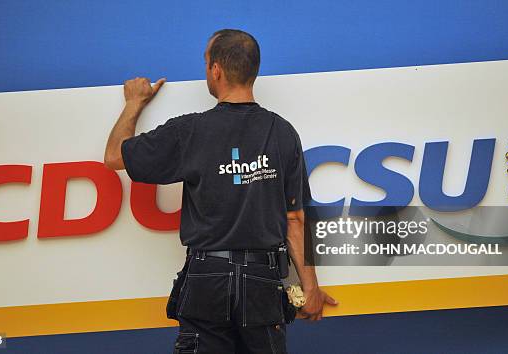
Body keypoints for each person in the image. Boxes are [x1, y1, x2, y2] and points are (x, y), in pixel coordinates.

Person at [104, 29, 337, 354]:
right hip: (264, 284)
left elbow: (115, 155)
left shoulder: (191, 131)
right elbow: (295, 220)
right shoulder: (282, 133)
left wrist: (134, 103)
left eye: (205, 62)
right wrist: (310, 287)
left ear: (216, 70)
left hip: (206, 283)